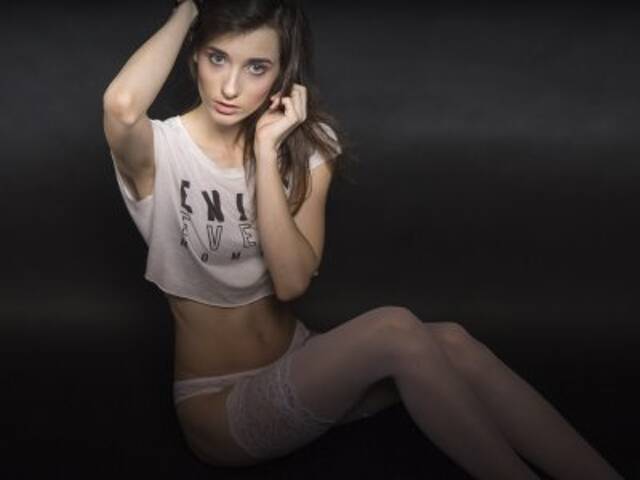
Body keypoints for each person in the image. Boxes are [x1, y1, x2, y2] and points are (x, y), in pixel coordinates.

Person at [102, 1, 625, 478]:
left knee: (453, 343)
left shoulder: (304, 147)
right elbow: (122, 105)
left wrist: (264, 152)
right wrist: (189, 9)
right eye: (218, 58)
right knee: (394, 328)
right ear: (195, 54)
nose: (231, 87)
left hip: (300, 361)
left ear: (281, 75)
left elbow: (291, 281)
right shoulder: (159, 152)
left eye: (256, 67)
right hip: (221, 404)